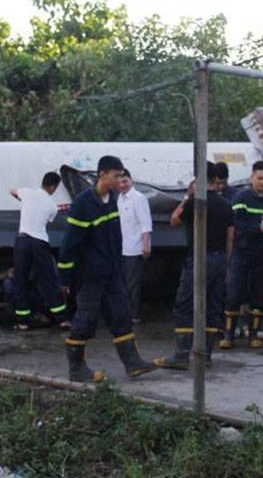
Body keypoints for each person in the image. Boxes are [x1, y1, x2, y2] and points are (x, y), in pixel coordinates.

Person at [57, 155, 157, 382]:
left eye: (122, 175)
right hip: (91, 275)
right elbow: (70, 243)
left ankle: (133, 363)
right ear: (102, 175)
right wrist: (64, 276)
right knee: (85, 320)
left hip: (112, 272)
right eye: (116, 175)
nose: (120, 180)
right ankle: (76, 368)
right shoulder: (84, 203)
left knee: (122, 314)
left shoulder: (113, 199)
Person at [155, 162, 233, 369]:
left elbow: (174, 220)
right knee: (213, 305)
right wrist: (227, 264)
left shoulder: (195, 202)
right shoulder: (226, 204)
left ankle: (181, 356)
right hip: (219, 259)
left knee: (185, 303)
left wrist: (188, 197)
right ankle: (206, 355)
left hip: (199, 259)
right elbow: (230, 236)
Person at [220, 160, 263, 350]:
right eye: (259, 178)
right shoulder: (241, 197)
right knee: (235, 292)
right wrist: (258, 227)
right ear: (252, 177)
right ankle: (229, 335)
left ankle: (253, 334)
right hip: (242, 252)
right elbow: (237, 225)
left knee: (259, 294)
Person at [10, 172, 70, 331]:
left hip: (22, 241)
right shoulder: (52, 206)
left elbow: (12, 191)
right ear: (53, 187)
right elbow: (48, 220)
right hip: (40, 243)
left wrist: (23, 200)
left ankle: (22, 321)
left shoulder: (27, 193)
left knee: (20, 280)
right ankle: (62, 319)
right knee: (48, 280)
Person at [116, 168, 152, 323]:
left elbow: (145, 223)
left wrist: (146, 245)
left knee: (132, 284)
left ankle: (134, 315)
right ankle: (126, 312)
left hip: (135, 248)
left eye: (125, 181)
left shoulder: (138, 198)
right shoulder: (119, 198)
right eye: (119, 183)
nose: (122, 185)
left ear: (131, 180)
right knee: (123, 283)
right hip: (123, 247)